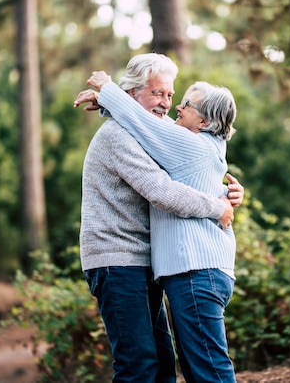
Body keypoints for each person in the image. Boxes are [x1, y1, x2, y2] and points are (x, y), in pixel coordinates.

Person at [73, 53, 244, 383]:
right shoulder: (119, 137)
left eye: (170, 95)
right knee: (138, 365)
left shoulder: (149, 133)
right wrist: (218, 207)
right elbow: (162, 190)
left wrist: (229, 194)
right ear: (133, 93)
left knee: (162, 364)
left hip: (142, 262)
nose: (167, 104)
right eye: (157, 93)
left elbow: (167, 133)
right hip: (117, 260)